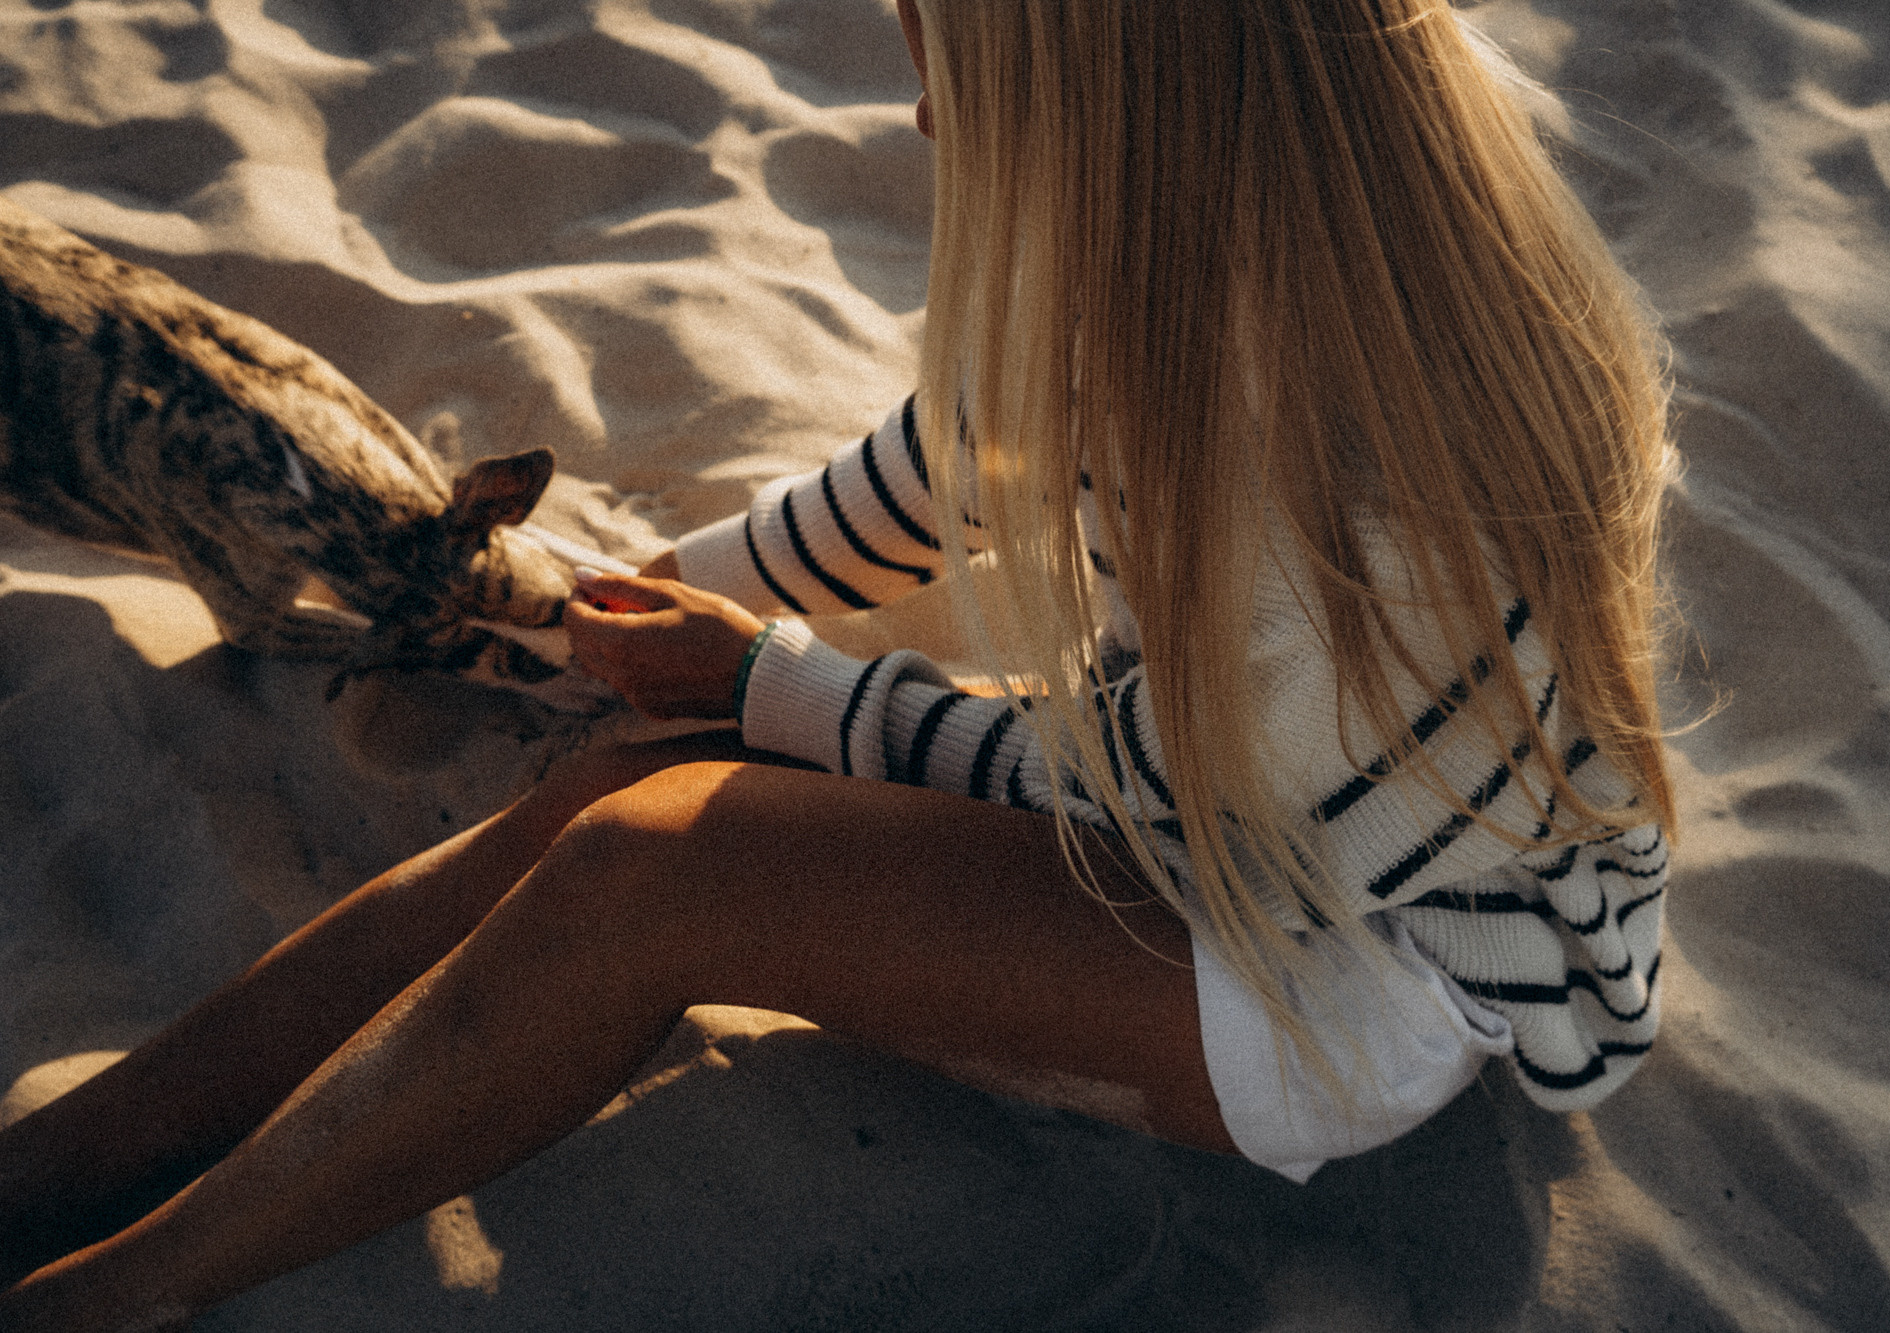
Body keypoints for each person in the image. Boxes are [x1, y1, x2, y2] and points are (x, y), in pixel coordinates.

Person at [0, 0, 1677, 1324]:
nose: (928, 109)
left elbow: (1176, 806)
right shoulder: (1213, 197)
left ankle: (106, 1295)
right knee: (629, 781)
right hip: (1232, 803)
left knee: (664, 866)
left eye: (946, 43)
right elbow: (941, 475)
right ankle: (72, 1162)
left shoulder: (1357, 431)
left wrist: (781, 691)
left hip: (1355, 966)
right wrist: (631, 608)